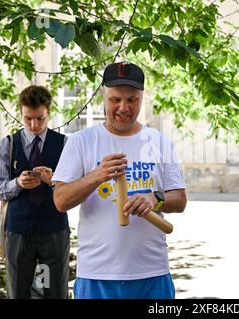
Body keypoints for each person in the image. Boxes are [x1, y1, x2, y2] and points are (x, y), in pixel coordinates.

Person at [52, 61, 187, 299]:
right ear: (104, 96)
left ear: (141, 98)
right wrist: (97, 175)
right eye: (115, 99)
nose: (123, 107)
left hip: (151, 274)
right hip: (97, 275)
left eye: (132, 100)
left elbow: (180, 200)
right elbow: (60, 200)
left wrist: (153, 198)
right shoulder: (81, 141)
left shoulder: (159, 142)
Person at [0, 85, 70, 299]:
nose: (34, 125)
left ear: (49, 113)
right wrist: (17, 183)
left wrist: (54, 181)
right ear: (21, 113)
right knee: (18, 293)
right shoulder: (8, 144)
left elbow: (75, 189)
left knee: (55, 293)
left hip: (54, 229)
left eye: (40, 119)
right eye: (28, 119)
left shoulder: (65, 144)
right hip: (18, 231)